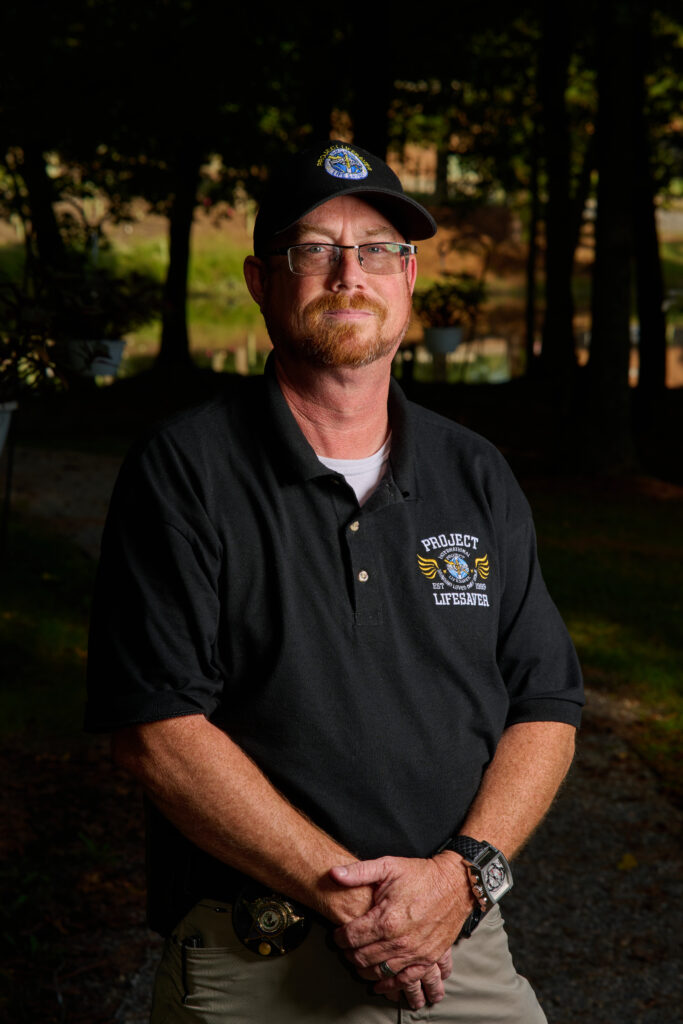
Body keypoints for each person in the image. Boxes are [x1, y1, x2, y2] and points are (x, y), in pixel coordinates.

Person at [85, 140, 584, 1023]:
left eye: (380, 249)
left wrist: (461, 880)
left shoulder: (475, 472)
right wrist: (366, 910)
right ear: (259, 279)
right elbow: (156, 732)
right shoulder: (184, 469)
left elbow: (546, 703)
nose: (350, 272)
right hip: (258, 955)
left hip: (457, 947)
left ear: (410, 276)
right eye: (315, 248)